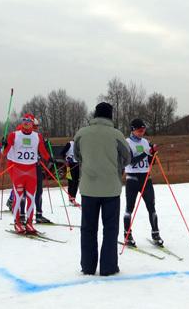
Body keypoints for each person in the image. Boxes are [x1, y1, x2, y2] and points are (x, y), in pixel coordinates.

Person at [74, 102, 131, 276]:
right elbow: (127, 158)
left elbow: (77, 156)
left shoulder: (82, 134)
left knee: (88, 229)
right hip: (111, 190)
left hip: (89, 189)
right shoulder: (116, 135)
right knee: (110, 229)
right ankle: (108, 267)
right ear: (110, 116)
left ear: (95, 114)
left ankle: (88, 267)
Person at [1, 114, 54, 234]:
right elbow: (3, 152)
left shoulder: (37, 136)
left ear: (32, 123)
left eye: (28, 120)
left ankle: (29, 223)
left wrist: (50, 159)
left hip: (31, 171)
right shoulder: (14, 135)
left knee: (31, 197)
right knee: (19, 197)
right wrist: (2, 145)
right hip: (18, 170)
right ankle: (17, 223)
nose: (25, 122)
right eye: (23, 120)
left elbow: (43, 151)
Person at [123, 118, 163, 247]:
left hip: (146, 178)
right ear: (133, 130)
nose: (142, 133)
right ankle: (127, 235)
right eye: (139, 131)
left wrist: (152, 154)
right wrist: (146, 153)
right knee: (129, 208)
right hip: (132, 179)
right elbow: (130, 161)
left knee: (151, 207)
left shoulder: (146, 142)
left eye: (143, 131)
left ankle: (156, 234)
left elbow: (152, 162)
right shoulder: (126, 143)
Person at [61, 140, 80, 205]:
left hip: (77, 164)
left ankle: (73, 198)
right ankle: (70, 199)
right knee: (71, 182)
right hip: (70, 165)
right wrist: (67, 157)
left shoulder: (81, 144)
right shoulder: (70, 144)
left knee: (76, 182)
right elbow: (62, 153)